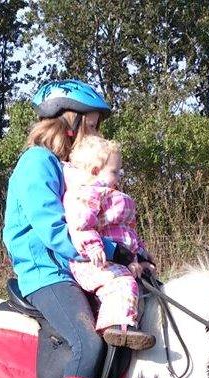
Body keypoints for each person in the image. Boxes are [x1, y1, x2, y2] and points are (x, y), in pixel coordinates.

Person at [2, 79, 152, 378]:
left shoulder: (64, 167)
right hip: (45, 273)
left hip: (74, 267)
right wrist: (109, 251)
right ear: (71, 121)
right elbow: (55, 231)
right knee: (89, 342)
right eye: (93, 122)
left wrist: (135, 252)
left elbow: (98, 220)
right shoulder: (36, 163)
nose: (96, 132)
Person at [63, 135, 155, 350]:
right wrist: (94, 245)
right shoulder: (86, 194)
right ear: (96, 170)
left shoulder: (114, 196)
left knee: (147, 281)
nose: (119, 176)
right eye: (115, 171)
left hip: (117, 260)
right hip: (92, 263)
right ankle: (115, 327)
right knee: (122, 283)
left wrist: (140, 255)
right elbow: (81, 224)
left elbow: (128, 233)